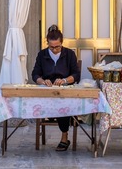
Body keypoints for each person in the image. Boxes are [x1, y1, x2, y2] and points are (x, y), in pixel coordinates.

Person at [31, 24, 81, 152]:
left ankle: (64, 137)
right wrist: (42, 81)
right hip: (47, 90)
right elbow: (35, 74)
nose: (54, 50)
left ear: (62, 43)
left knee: (62, 103)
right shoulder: (42, 55)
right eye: (51, 47)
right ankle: (53, 116)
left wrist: (64, 80)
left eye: (57, 47)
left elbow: (76, 74)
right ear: (47, 43)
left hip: (64, 90)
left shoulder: (69, 54)